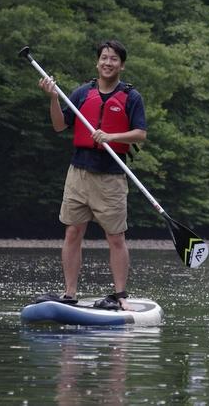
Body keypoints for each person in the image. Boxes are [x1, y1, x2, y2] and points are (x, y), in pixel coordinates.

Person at [37, 40, 147, 310]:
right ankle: (70, 293)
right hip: (78, 173)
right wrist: (53, 97)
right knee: (73, 232)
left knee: (115, 237)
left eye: (114, 59)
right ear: (97, 62)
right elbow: (59, 125)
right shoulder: (82, 93)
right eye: (104, 58)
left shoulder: (131, 97)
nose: (108, 63)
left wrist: (111, 136)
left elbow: (140, 134)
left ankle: (121, 296)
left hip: (110, 175)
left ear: (121, 65)